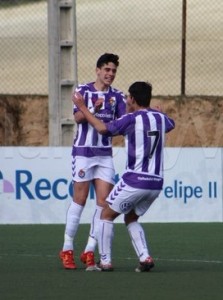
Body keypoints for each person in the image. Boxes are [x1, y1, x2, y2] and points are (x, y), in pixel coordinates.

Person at [73, 81, 175, 272]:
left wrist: (82, 108)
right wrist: (157, 111)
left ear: (133, 99)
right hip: (156, 183)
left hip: (135, 180)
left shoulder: (131, 119)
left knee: (105, 214)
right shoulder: (161, 118)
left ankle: (105, 261)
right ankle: (145, 257)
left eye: (129, 97)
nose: (127, 99)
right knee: (130, 218)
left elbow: (103, 128)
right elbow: (171, 124)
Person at [59, 53, 126, 271]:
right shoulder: (83, 90)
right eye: (107, 70)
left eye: (113, 71)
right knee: (79, 200)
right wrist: (94, 110)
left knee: (102, 203)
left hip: (104, 154)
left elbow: (122, 123)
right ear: (97, 70)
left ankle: (89, 250)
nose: (110, 74)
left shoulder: (118, 96)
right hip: (83, 153)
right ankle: (67, 248)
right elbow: (77, 118)